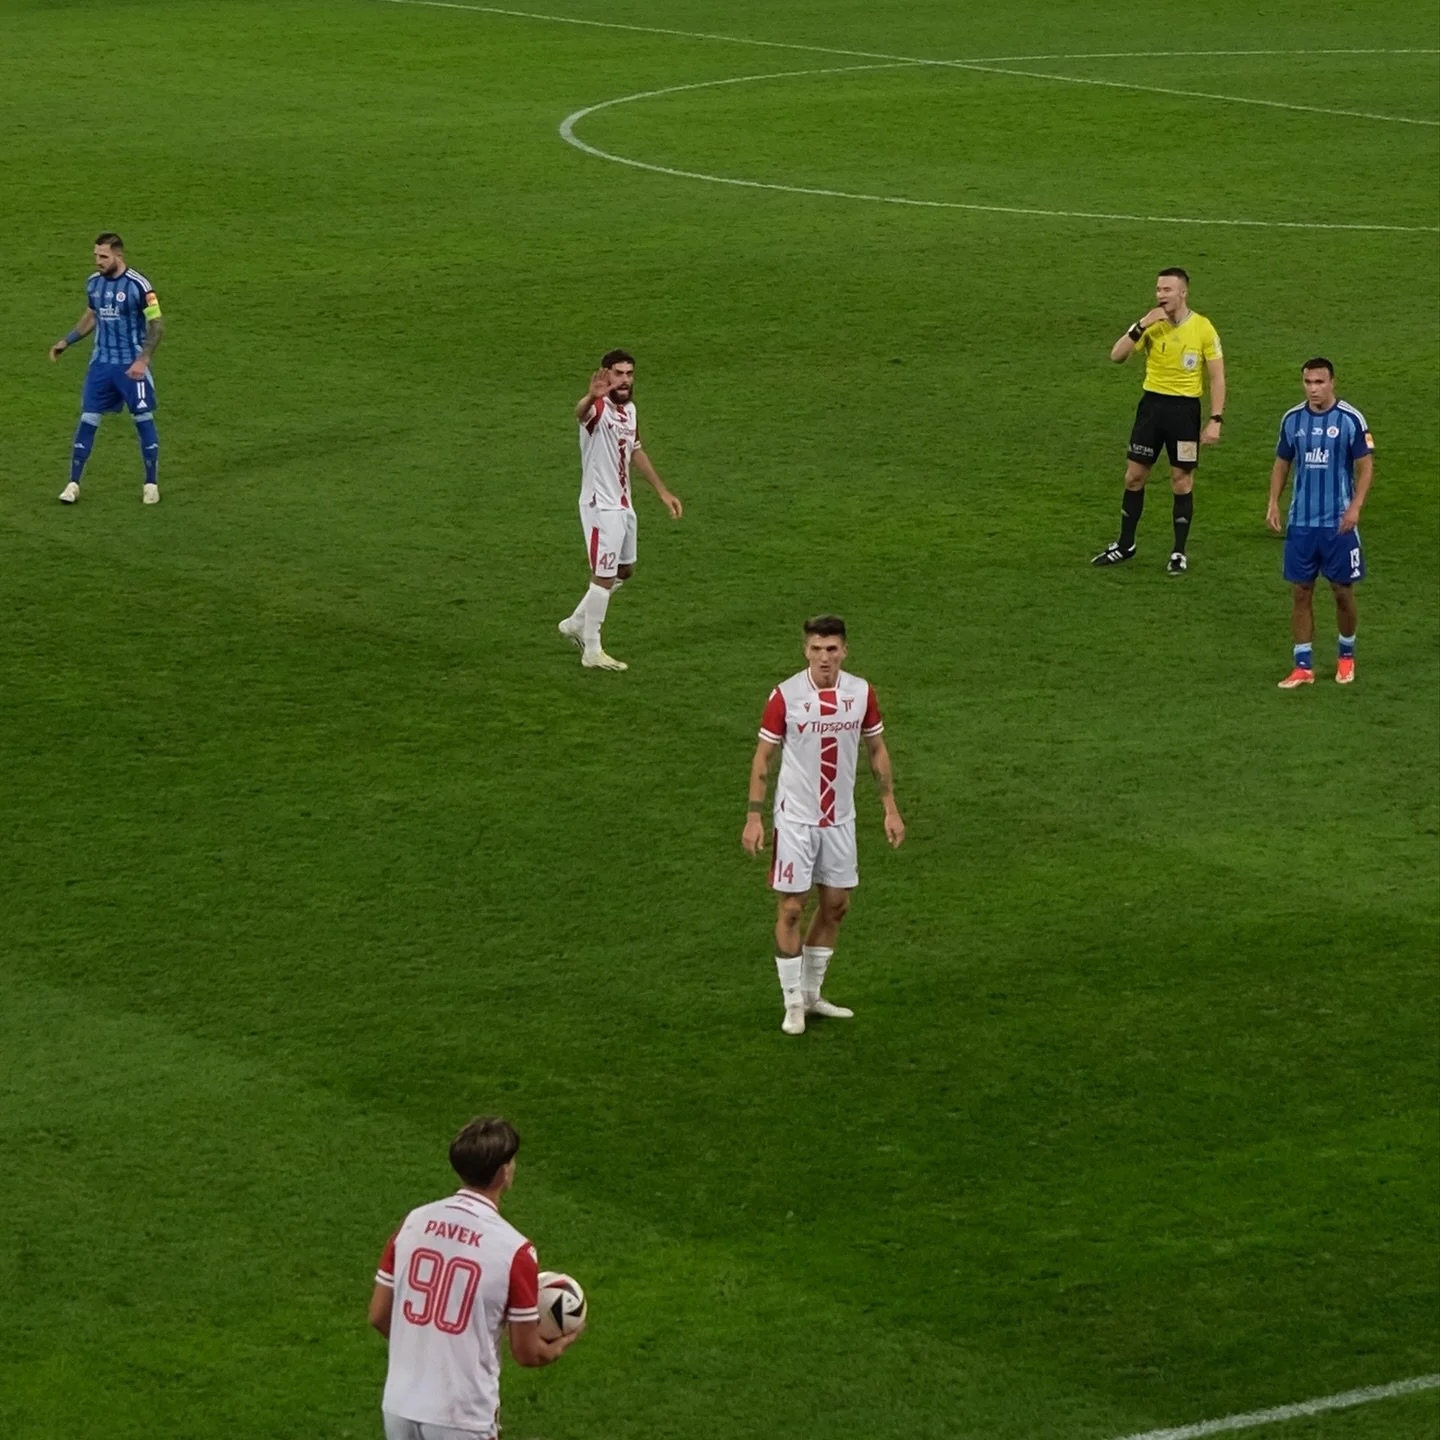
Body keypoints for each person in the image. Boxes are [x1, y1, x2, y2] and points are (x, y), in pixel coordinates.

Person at [369, 1117, 582, 1440]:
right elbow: (527, 1352)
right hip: (462, 1415)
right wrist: (559, 1346)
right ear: (503, 1172)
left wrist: (426, 1351)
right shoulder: (515, 1250)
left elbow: (378, 1315)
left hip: (399, 1406)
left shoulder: (413, 1222)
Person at [741, 616, 904, 1035]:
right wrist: (754, 816)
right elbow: (762, 758)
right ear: (806, 651)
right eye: (816, 649)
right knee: (792, 908)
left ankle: (812, 995)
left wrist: (889, 807)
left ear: (844, 651)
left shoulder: (861, 693)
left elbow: (877, 749)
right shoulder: (786, 696)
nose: (824, 657)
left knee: (836, 906)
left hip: (840, 820)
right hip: (795, 820)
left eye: (831, 649)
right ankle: (792, 1002)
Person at [1092, 267, 1225, 574]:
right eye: (1158, 289)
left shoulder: (1203, 328)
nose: (1160, 295)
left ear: (1183, 293)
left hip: (1185, 414)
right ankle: (1126, 544)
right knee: (1134, 477)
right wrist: (1141, 325)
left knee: (1181, 480)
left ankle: (1178, 552)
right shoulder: (1150, 325)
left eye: (1167, 290)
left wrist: (1215, 418)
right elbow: (1116, 356)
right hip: (1151, 409)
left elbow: (1217, 377)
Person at [558, 350, 683, 671]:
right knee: (603, 575)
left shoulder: (630, 410)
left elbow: (635, 450)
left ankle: (576, 622)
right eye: (618, 373)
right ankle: (592, 649)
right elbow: (580, 413)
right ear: (606, 374)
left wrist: (662, 491)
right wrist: (591, 396)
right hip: (600, 506)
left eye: (629, 373)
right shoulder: (598, 409)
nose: (625, 380)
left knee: (624, 570)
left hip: (623, 504)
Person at [1267, 358, 1374, 688]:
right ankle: (1303, 666)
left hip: (1338, 523)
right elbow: (1282, 462)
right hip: (1301, 523)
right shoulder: (1292, 419)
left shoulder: (1350, 419)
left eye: (1319, 382)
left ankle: (1346, 656)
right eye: (1308, 382)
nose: (1313, 389)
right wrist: (1273, 502)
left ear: (1332, 382)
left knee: (1342, 591)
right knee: (1301, 592)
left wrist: (1355, 508)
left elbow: (1366, 467)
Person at [50, 233, 165, 505]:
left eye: (103, 256)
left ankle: (151, 484)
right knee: (88, 418)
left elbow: (157, 325)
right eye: (96, 255)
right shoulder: (94, 283)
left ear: (118, 255)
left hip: (131, 366)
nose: (98, 261)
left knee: (142, 417)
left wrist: (143, 359)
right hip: (101, 364)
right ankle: (73, 484)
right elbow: (93, 315)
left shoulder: (139, 286)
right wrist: (68, 340)